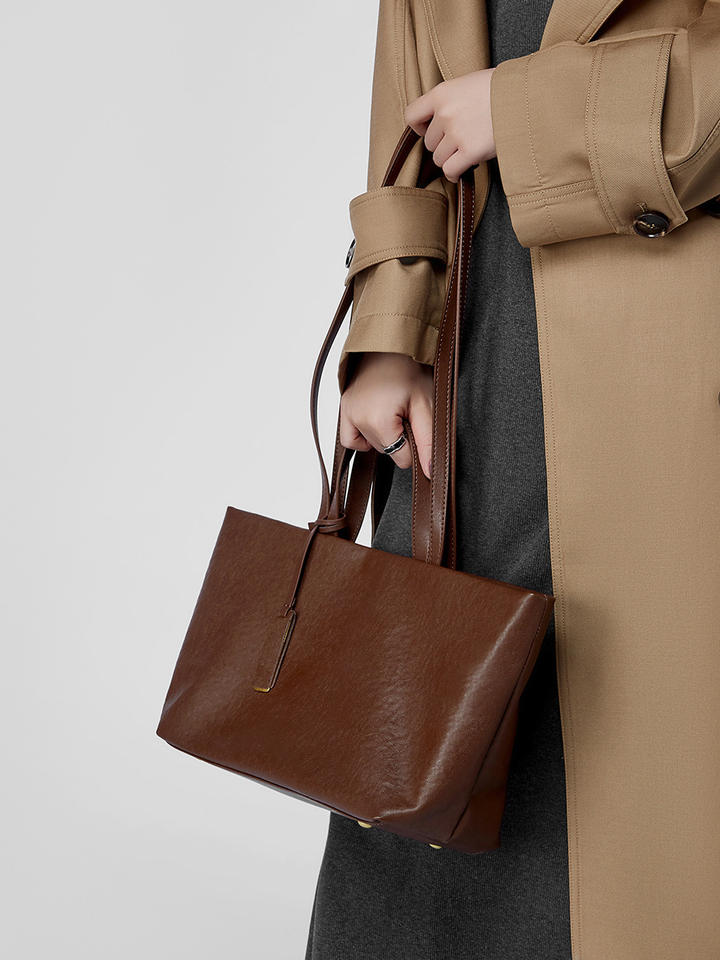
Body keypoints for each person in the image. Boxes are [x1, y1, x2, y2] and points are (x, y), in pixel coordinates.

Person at [305, 1, 720, 958]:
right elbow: (409, 83)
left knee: (623, 785)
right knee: (416, 769)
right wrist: (390, 326)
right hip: (467, 356)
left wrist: (531, 114)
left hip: (662, 367)